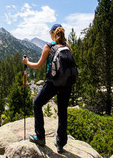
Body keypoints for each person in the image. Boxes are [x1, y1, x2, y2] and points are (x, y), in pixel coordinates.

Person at [22, 24, 72, 153]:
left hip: (53, 83)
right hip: (67, 84)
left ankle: (40, 137)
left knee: (37, 103)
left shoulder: (49, 46)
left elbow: (38, 65)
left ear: (52, 33)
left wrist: (27, 63)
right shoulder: (68, 46)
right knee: (62, 112)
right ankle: (60, 144)